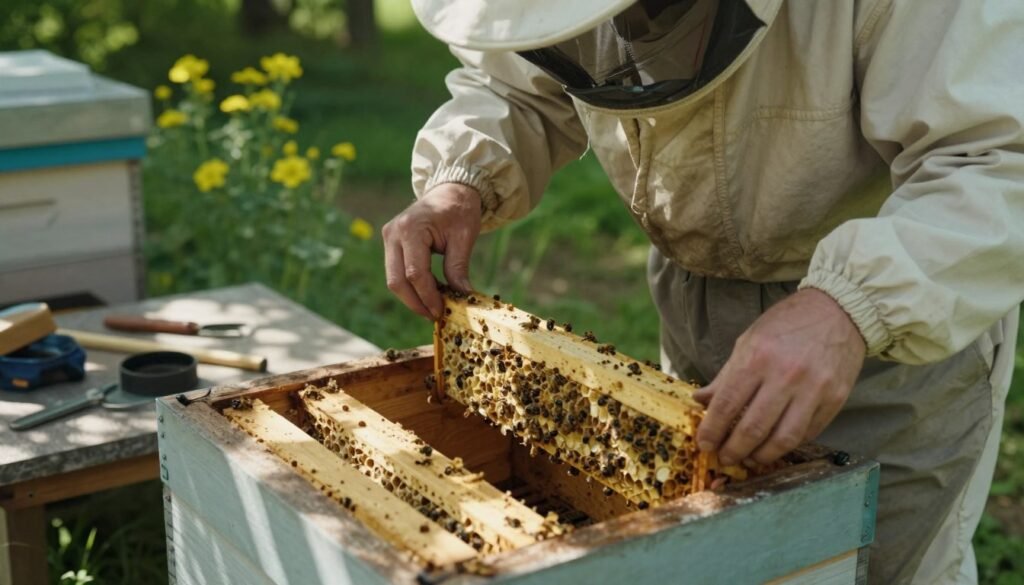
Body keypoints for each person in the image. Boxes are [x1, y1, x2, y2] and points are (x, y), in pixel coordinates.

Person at [380, 1, 1024, 583]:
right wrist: (461, 179)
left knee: (872, 564)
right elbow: (518, 79)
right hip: (693, 296)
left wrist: (851, 306)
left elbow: (996, 157)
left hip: (899, 316)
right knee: (710, 555)